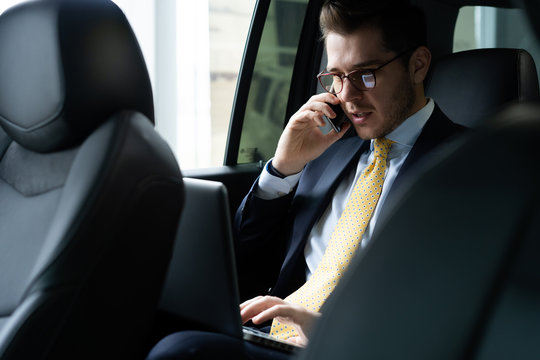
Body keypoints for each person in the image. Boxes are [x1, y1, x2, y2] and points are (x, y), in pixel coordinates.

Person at [147, 0, 465, 358]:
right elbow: (244, 264)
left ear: (418, 65)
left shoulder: (474, 166)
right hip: (273, 335)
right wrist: (283, 168)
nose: (346, 96)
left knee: (182, 351)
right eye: (336, 77)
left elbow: (458, 309)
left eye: (365, 75)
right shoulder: (327, 146)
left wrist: (333, 329)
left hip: (362, 348)